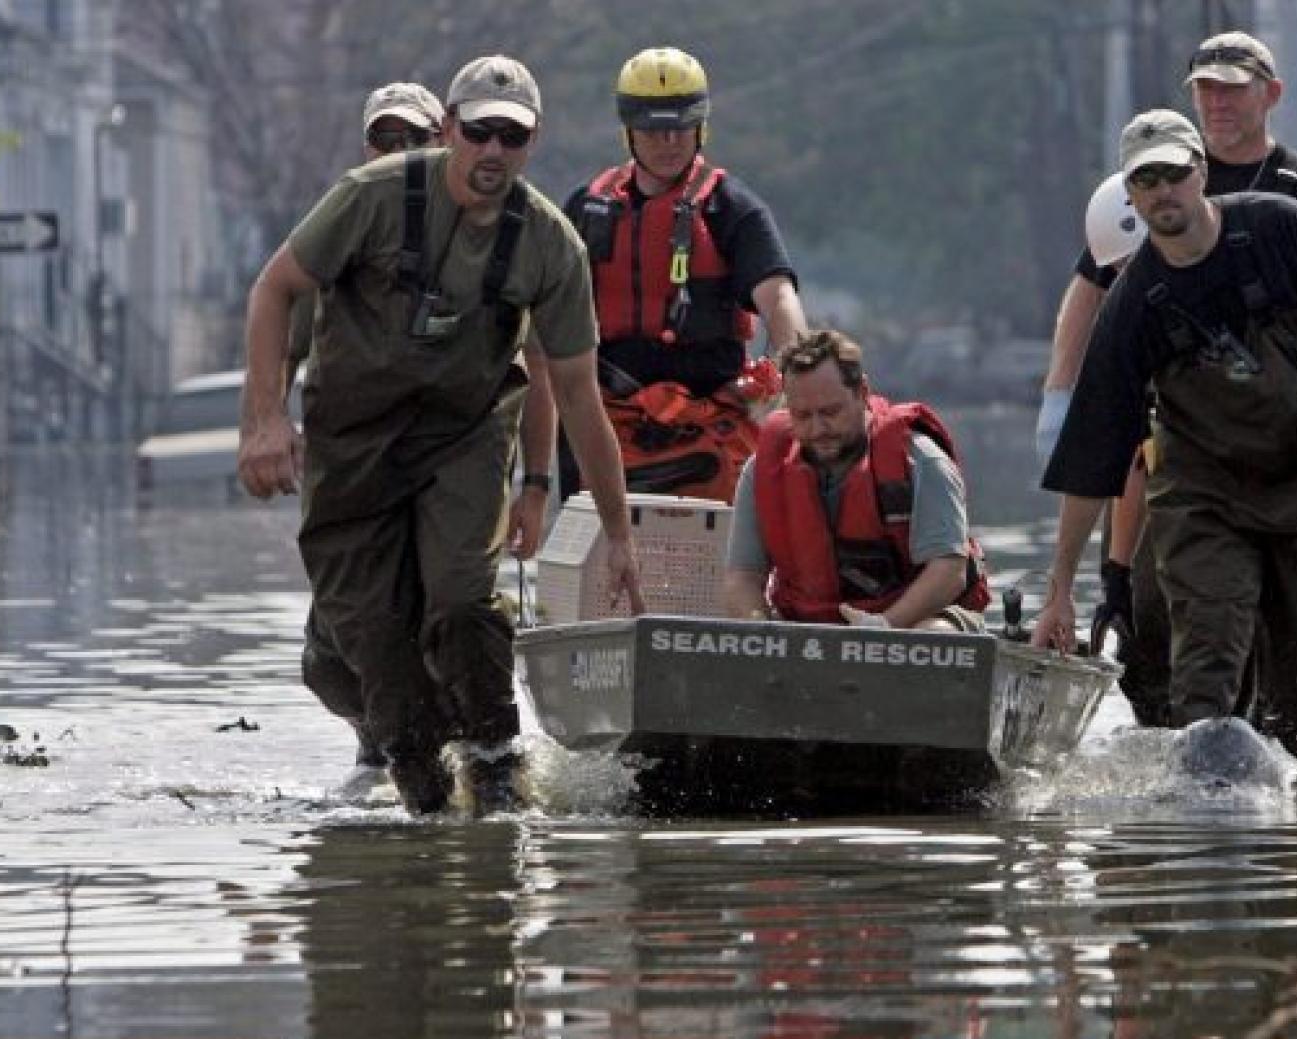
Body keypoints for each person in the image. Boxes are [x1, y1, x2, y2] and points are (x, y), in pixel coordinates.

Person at [237, 54, 644, 815]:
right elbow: (275, 289)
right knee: (375, 638)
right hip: (353, 442)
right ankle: (420, 782)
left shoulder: (550, 245)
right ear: (451, 129)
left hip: (463, 436)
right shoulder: (370, 198)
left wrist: (611, 528)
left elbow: (579, 393)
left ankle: (496, 762)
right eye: (480, 132)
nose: (493, 152)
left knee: (460, 600)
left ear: (532, 143)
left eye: (511, 138)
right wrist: (263, 420)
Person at [1038, 31, 1297, 754]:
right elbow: (1096, 458)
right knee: (1204, 682)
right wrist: (1063, 586)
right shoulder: (1135, 300)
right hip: (1206, 496)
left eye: (1173, 176)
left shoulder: (1289, 221)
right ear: (1130, 194)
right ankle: (1202, 842)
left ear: (1199, 173)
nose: (1161, 194)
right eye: (1144, 183)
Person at [558, 46, 806, 504]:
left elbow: (779, 299)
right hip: (608, 418)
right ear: (629, 130)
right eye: (654, 129)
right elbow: (543, 316)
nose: (668, 142)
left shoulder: (733, 208)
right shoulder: (585, 208)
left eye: (680, 127)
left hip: (710, 419)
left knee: (715, 552)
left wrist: (796, 383)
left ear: (700, 127)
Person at [287, 80, 446, 772]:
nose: (400, 153)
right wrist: (266, 420)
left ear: (442, 142)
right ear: (367, 146)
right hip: (351, 459)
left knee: (445, 612)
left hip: (441, 457)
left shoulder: (476, 225)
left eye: (415, 140)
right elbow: (284, 321)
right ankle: (372, 726)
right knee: (328, 656)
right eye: (387, 140)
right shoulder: (340, 223)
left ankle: (440, 744)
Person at [722, 330, 989, 631]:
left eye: (830, 412)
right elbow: (742, 576)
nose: (818, 429)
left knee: (934, 634)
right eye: (803, 416)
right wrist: (761, 629)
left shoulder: (922, 461)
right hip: (806, 628)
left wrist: (883, 626)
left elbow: (948, 572)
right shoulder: (761, 471)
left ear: (862, 393)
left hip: (913, 621)